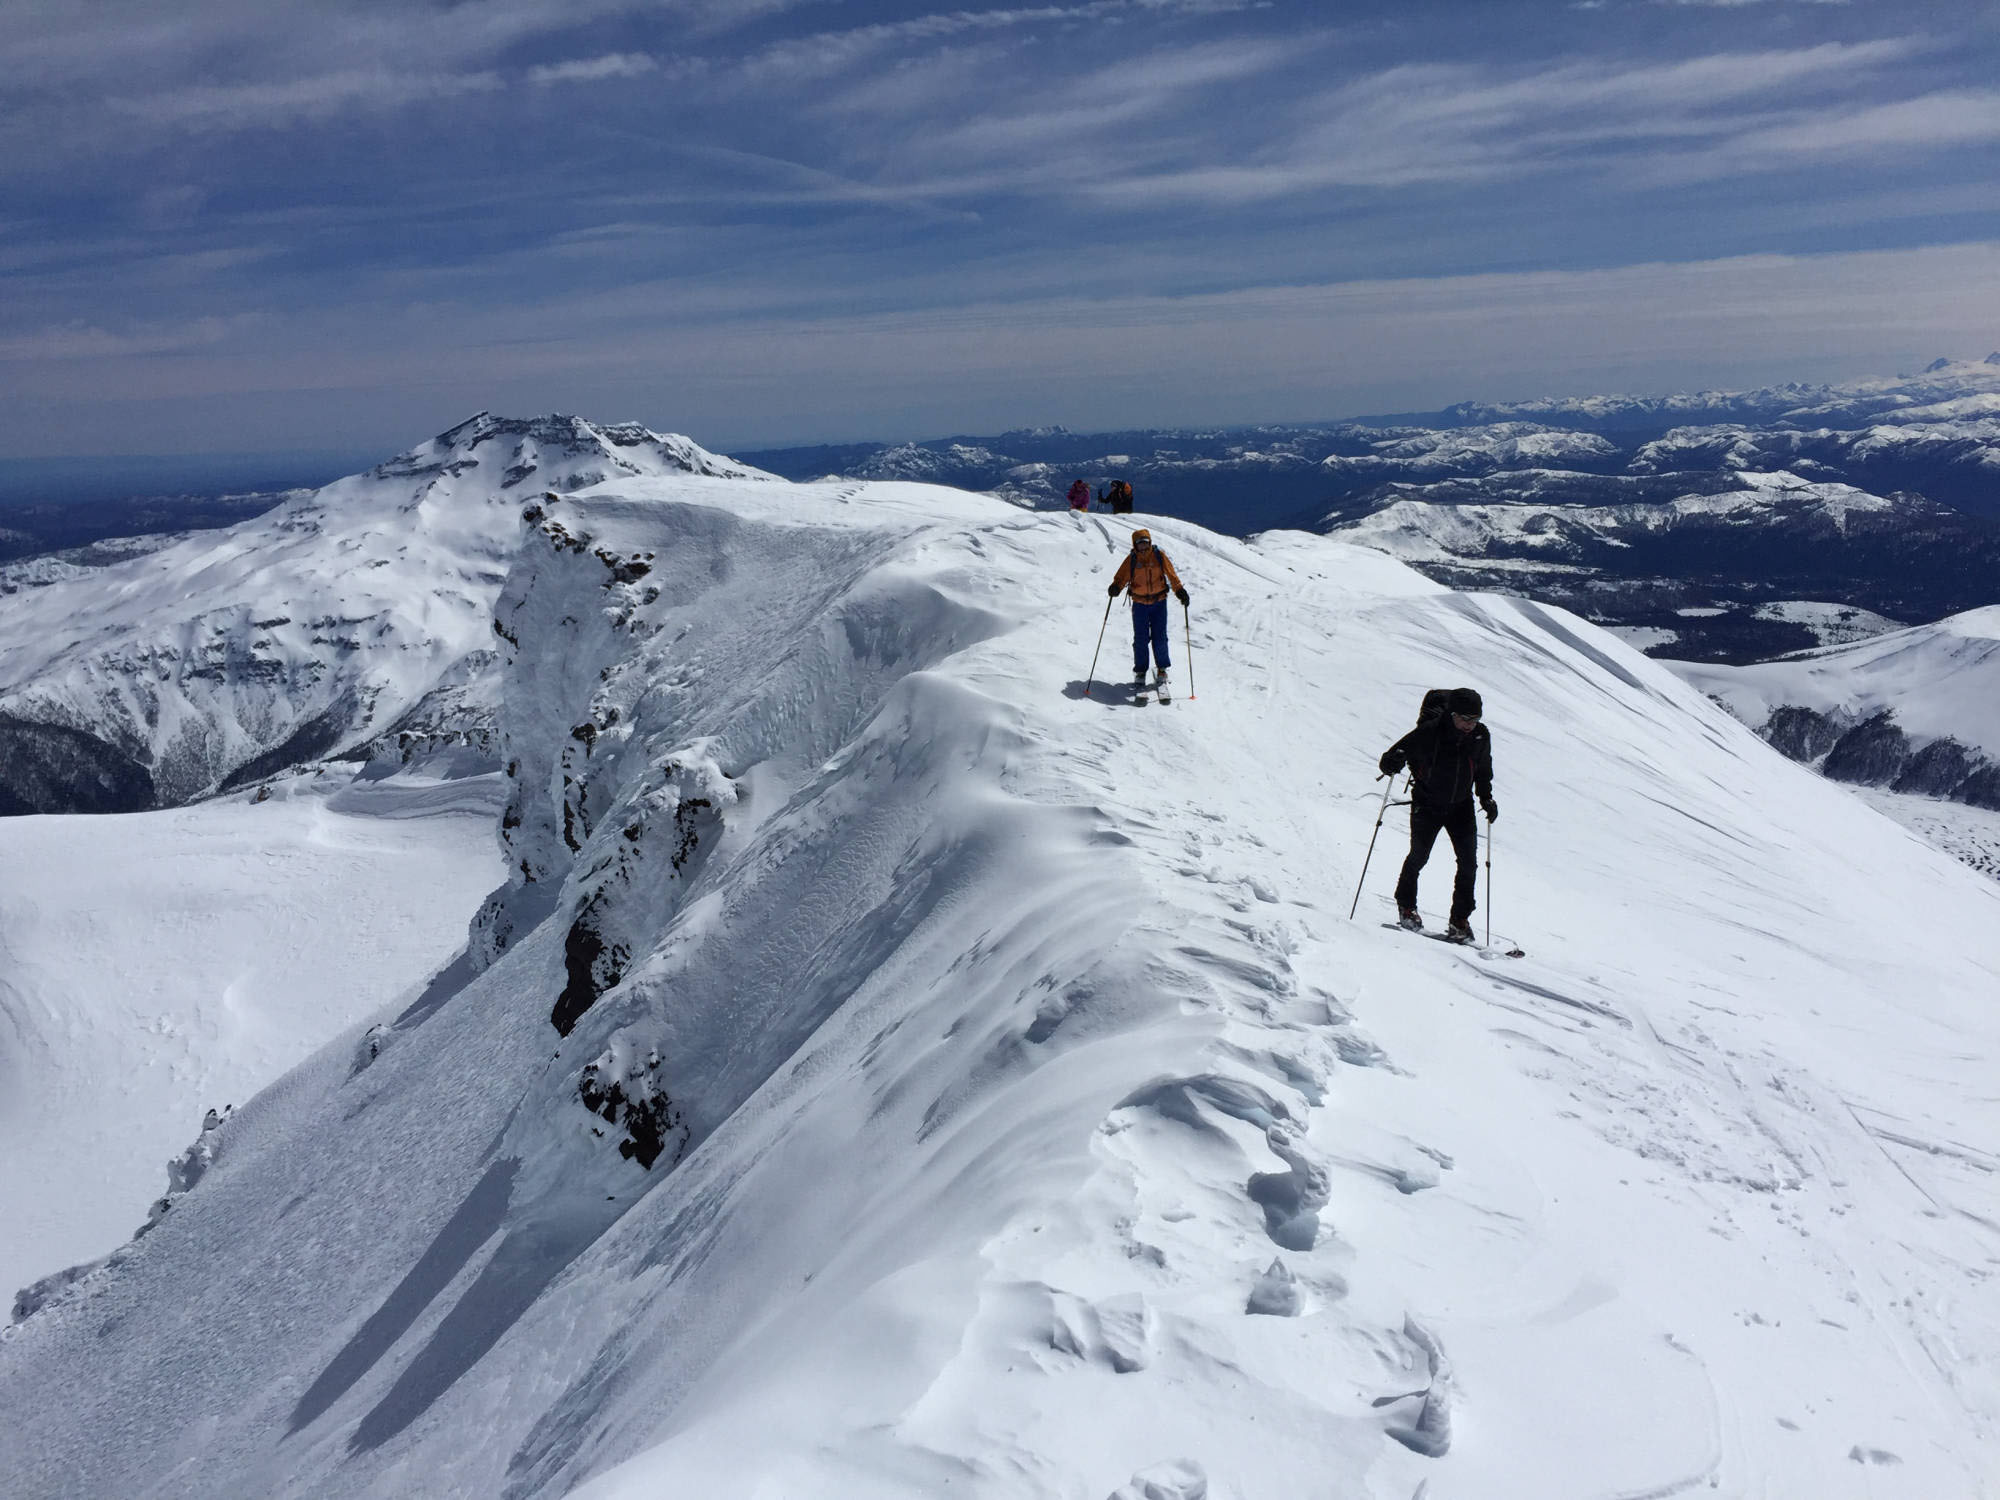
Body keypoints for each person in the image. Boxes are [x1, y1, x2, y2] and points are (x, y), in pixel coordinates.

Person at [1377, 688, 1497, 942]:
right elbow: (1391, 758)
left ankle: (1459, 919)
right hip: (1428, 802)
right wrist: (1392, 762)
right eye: (1465, 719)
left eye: (1475, 719)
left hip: (1461, 806)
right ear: (1452, 714)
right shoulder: (1429, 732)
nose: (1470, 725)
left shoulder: (1480, 736)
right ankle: (1406, 906)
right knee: (1419, 856)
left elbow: (1483, 769)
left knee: (1469, 863)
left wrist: (1486, 797)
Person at [1106, 528, 1189, 696]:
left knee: (1160, 637)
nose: (1143, 546)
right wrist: (1116, 587)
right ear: (1135, 545)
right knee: (1141, 639)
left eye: (1145, 543)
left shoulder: (1159, 556)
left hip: (1159, 603)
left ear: (1150, 542)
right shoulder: (1132, 559)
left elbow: (1172, 575)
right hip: (1139, 604)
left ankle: (1162, 670)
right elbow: (1121, 577)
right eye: (1139, 544)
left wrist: (1180, 591)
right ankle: (1140, 671)